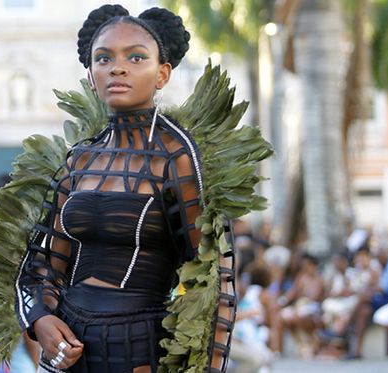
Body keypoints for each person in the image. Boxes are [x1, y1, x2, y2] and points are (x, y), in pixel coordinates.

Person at [15, 5, 233, 372]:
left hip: (140, 347)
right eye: (104, 58)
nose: (118, 67)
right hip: (70, 352)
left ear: (162, 73)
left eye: (136, 57)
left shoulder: (177, 157)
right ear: (90, 74)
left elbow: (215, 282)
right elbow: (42, 265)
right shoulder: (79, 159)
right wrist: (41, 321)